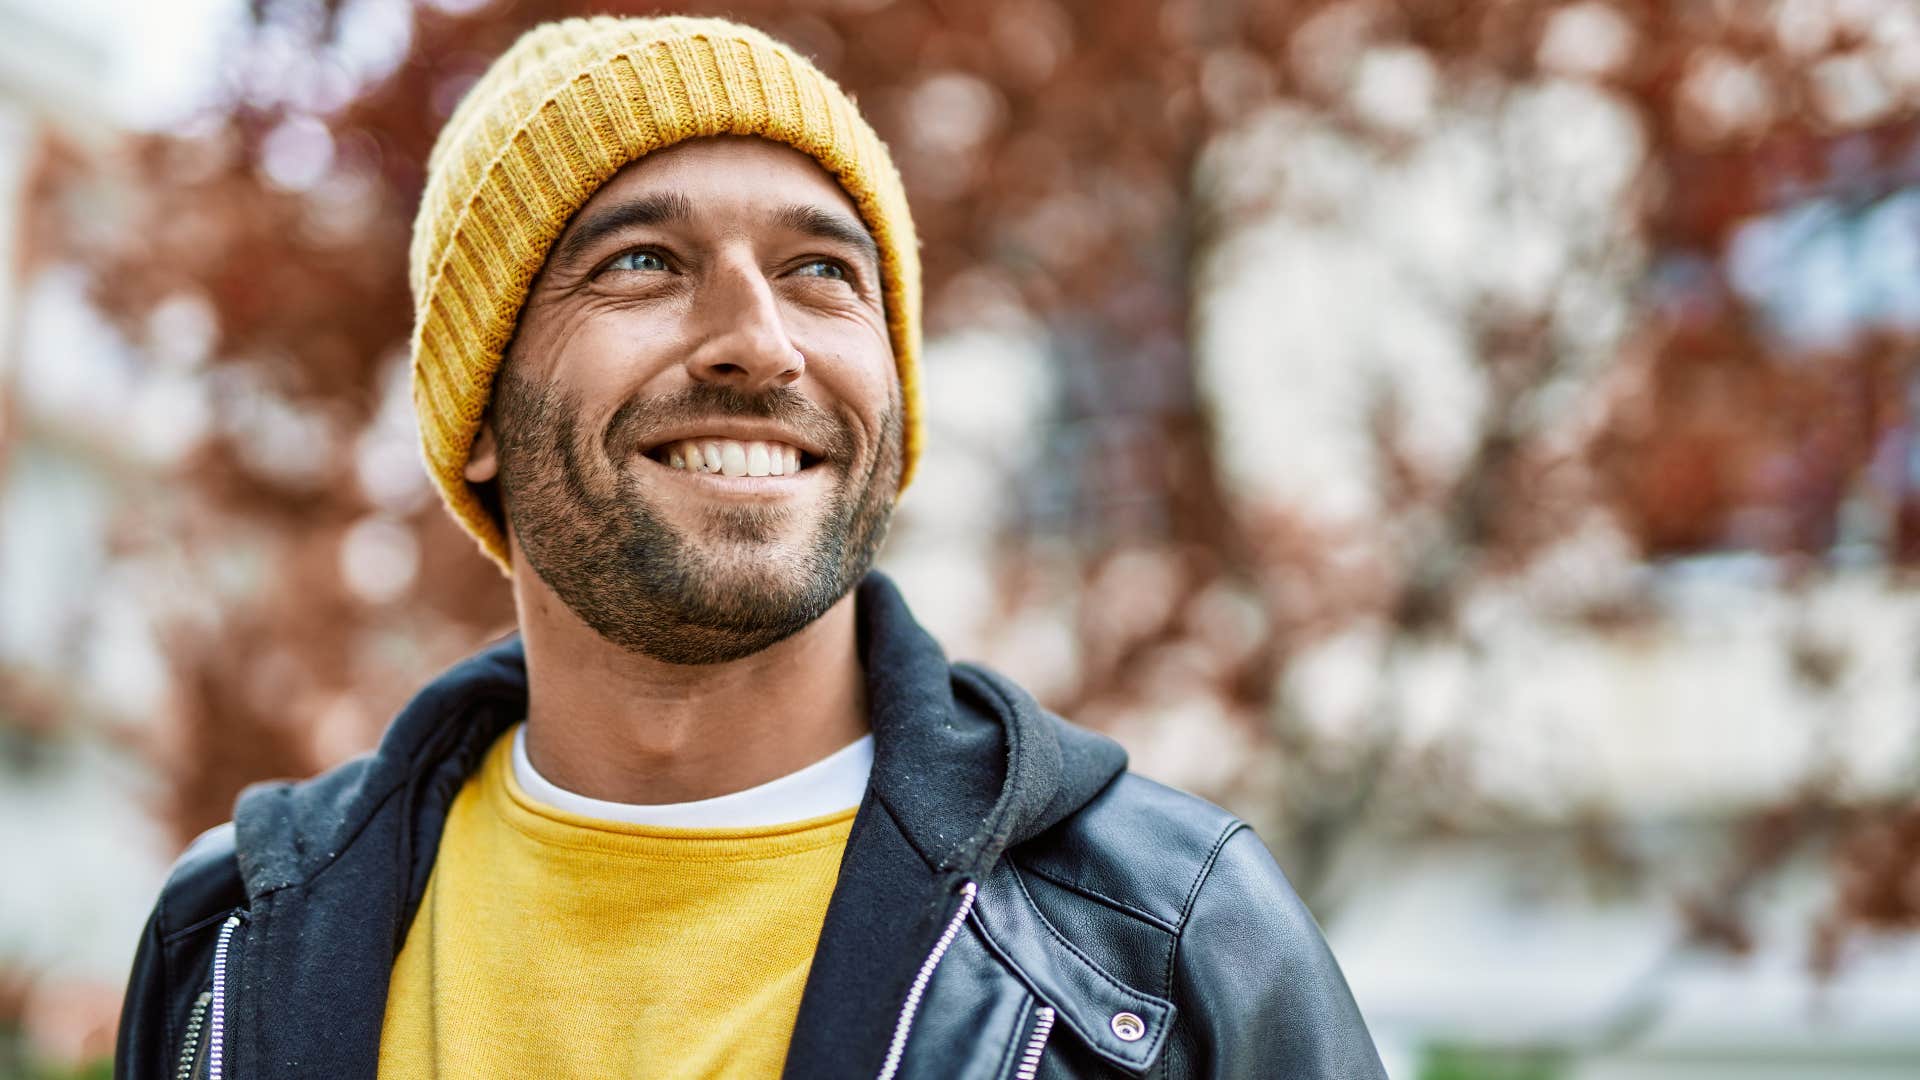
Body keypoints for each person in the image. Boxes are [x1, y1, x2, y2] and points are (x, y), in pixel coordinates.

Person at [114, 15, 1386, 1080]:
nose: (760, 343)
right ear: (478, 412)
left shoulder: (1169, 944)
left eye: (823, 271)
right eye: (644, 261)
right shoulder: (229, 943)